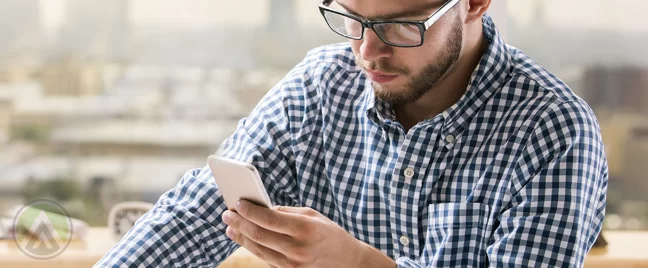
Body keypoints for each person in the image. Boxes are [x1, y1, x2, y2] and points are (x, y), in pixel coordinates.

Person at [96, 0, 608, 267]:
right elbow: (192, 217)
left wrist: (359, 265)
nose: (367, 52)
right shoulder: (322, 85)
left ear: (473, 4)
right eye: (353, 19)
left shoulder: (553, 131)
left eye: (400, 26)